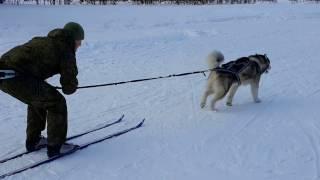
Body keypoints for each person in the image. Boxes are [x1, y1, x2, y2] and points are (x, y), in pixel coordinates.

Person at [0, 22, 84, 158]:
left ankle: (34, 141)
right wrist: (72, 85)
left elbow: (28, 61)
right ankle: (56, 146)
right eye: (79, 42)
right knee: (56, 103)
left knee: (38, 100)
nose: (79, 45)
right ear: (73, 39)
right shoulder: (66, 50)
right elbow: (69, 88)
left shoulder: (44, 40)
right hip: (15, 76)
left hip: (4, 75)